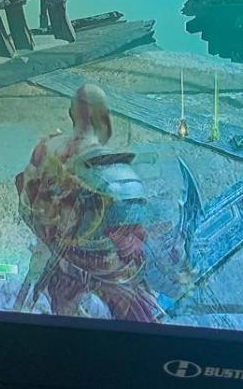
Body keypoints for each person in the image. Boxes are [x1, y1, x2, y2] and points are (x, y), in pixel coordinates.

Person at [12, 83, 163, 322]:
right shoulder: (124, 172)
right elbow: (133, 240)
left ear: (71, 113)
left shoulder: (47, 148)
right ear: (104, 116)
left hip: (72, 262)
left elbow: (26, 205)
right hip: (98, 267)